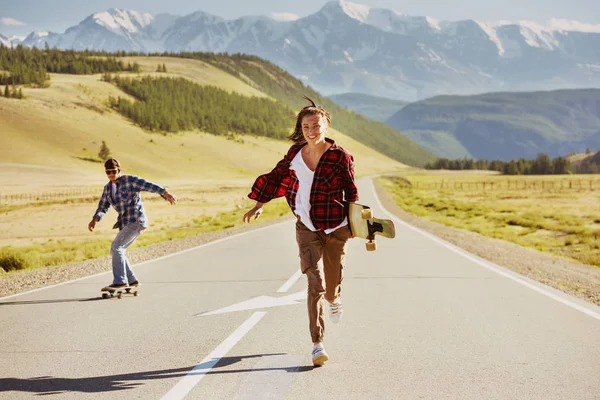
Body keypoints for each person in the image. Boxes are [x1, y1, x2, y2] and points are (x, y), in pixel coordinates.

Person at [243, 96, 358, 367]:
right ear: (301, 128)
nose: (311, 131)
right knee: (313, 283)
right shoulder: (295, 154)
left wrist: (356, 224)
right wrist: (259, 204)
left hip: (335, 227)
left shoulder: (341, 157)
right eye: (306, 127)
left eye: (316, 125)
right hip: (306, 226)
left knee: (330, 285)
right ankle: (317, 344)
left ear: (326, 125)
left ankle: (335, 297)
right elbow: (275, 178)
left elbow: (351, 191)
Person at [88, 158, 177, 290]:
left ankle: (120, 281)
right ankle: (132, 280)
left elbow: (148, 185)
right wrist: (95, 218)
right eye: (108, 172)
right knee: (117, 250)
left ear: (119, 170)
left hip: (136, 220)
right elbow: (103, 206)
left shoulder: (129, 181)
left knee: (117, 247)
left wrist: (165, 192)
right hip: (125, 223)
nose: (111, 174)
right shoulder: (107, 188)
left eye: (113, 171)